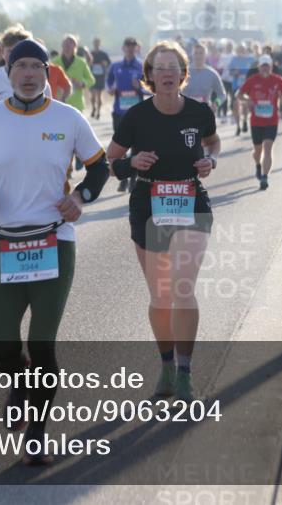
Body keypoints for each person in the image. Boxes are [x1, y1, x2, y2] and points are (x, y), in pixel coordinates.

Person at [0, 39, 108, 466]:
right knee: (2, 351)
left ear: (48, 73)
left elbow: (99, 167)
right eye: (20, 66)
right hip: (4, 242)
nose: (28, 74)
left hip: (54, 241)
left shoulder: (68, 118)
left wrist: (80, 196)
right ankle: (21, 383)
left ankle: (37, 435)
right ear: (7, 73)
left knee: (41, 344)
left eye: (35, 67)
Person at [106, 40, 220, 402]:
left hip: (190, 201)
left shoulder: (200, 113)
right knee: (161, 295)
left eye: (174, 67)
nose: (167, 73)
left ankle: (185, 372)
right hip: (148, 204)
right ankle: (167, 365)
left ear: (184, 75)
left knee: (182, 288)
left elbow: (214, 144)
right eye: (160, 68)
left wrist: (210, 161)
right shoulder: (136, 117)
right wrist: (131, 164)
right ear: (150, 76)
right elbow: (112, 160)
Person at [236, 55, 282, 191]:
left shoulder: (278, 80)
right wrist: (248, 100)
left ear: (271, 67)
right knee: (257, 151)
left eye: (267, 66)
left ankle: (265, 177)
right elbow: (239, 94)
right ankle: (258, 166)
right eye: (263, 66)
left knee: (268, 148)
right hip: (256, 121)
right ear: (259, 67)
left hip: (272, 120)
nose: (265, 68)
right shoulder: (253, 80)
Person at [106, 37, 146, 192]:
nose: (130, 48)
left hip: (137, 114)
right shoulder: (116, 66)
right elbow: (109, 82)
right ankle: (122, 177)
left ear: (136, 48)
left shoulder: (141, 66)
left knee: (136, 146)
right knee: (119, 147)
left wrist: (140, 88)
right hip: (119, 112)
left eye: (133, 45)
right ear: (123, 48)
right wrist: (110, 89)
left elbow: (150, 88)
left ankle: (133, 178)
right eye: (127, 45)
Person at [51, 34, 93, 112]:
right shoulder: (54, 62)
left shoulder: (81, 62)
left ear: (75, 47)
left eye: (71, 44)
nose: (68, 47)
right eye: (66, 44)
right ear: (62, 46)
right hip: (58, 102)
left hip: (76, 103)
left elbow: (91, 80)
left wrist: (82, 84)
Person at [182, 41, 226, 112]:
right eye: (196, 53)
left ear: (206, 55)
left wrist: (216, 104)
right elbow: (175, 92)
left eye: (201, 53)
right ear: (192, 55)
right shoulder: (183, 73)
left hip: (205, 111)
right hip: (186, 111)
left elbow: (222, 95)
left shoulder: (212, 74)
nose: (198, 56)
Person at [88, 37, 111, 120]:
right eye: (95, 43)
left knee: (99, 95)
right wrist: (90, 64)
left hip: (100, 76)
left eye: (98, 43)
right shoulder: (90, 54)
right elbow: (86, 63)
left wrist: (105, 64)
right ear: (93, 44)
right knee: (93, 95)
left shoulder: (103, 54)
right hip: (92, 76)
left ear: (99, 44)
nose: (96, 44)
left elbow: (109, 63)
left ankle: (98, 111)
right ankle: (93, 108)